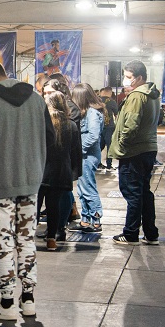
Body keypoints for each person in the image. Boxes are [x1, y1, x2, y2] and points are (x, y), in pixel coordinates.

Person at [0, 60, 55, 320]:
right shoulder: (38, 100)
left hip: (0, 181)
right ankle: (28, 299)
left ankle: (6, 302)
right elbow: (50, 139)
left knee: (3, 242)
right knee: (27, 240)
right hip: (31, 181)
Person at [108, 60, 162, 246]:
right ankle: (150, 233)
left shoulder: (137, 96)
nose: (125, 80)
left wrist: (122, 145)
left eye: (128, 77)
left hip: (134, 151)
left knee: (132, 192)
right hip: (148, 148)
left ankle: (130, 233)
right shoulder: (152, 95)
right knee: (144, 192)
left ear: (139, 78)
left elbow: (131, 125)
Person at [40, 84, 79, 250]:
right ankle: (51, 239)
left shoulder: (42, 123)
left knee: (34, 205)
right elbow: (76, 152)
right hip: (61, 172)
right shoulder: (71, 125)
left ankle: (25, 239)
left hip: (41, 170)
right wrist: (73, 172)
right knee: (53, 206)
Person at [68, 83, 105, 233]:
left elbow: (93, 136)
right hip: (84, 155)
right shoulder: (87, 113)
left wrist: (79, 150)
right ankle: (85, 220)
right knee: (83, 188)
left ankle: (95, 220)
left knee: (88, 188)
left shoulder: (92, 114)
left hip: (88, 156)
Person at [99, 87, 118, 171]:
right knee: (109, 146)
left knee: (99, 145)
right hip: (109, 126)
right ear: (110, 93)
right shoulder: (112, 102)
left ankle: (98, 163)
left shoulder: (96, 101)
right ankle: (109, 165)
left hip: (99, 126)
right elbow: (117, 115)